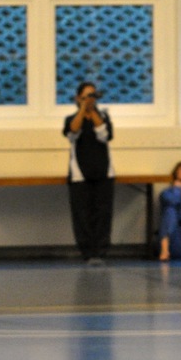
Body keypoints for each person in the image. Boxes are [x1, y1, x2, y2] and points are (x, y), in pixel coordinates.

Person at [63, 81, 114, 265]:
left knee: (102, 213)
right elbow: (73, 132)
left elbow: (104, 135)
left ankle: (100, 251)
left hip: (103, 172)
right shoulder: (70, 119)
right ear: (78, 98)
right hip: (80, 174)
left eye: (93, 95)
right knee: (82, 214)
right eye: (87, 96)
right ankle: (86, 252)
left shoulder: (103, 117)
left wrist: (92, 112)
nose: (91, 99)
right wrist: (83, 109)